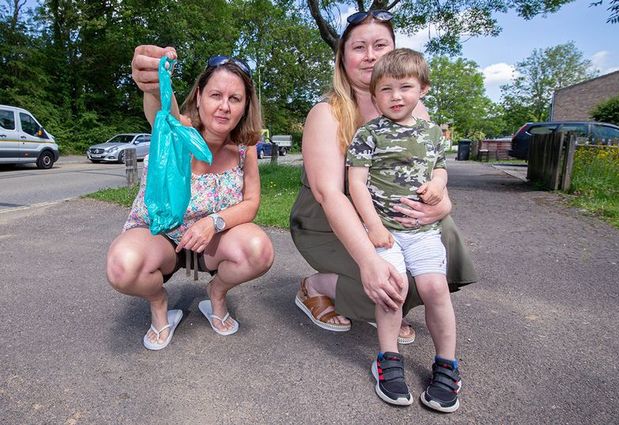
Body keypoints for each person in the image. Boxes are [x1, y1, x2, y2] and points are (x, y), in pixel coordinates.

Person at [289, 7, 476, 403]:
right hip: (325, 219)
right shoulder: (327, 114)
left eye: (380, 45)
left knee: (446, 240)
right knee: (383, 281)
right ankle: (316, 286)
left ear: (395, 51)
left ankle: (402, 311)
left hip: (391, 216)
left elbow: (432, 169)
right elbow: (330, 194)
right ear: (343, 57)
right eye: (359, 47)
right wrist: (368, 260)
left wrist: (442, 204)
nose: (370, 55)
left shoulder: (413, 108)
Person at [107, 46, 274, 350]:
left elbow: (251, 202)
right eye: (215, 95)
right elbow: (160, 110)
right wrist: (154, 84)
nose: (224, 106)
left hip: (210, 243)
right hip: (162, 238)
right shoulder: (179, 130)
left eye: (234, 98)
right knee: (122, 267)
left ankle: (217, 293)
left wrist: (214, 222)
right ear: (199, 97)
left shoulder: (244, 148)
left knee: (259, 251)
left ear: (245, 106)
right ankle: (159, 303)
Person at [347, 48, 460, 411]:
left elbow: (440, 167)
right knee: (392, 289)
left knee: (434, 287)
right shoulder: (369, 134)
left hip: (422, 230)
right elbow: (356, 184)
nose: (396, 96)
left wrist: (439, 185)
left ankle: (447, 365)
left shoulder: (431, 133)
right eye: (386, 89)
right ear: (374, 94)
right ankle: (388, 359)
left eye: (405, 87)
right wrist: (374, 227)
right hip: (386, 231)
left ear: (423, 89)